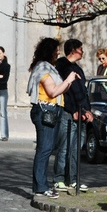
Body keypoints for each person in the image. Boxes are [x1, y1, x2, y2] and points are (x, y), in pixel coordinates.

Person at [27, 38, 78, 201]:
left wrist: (68, 83)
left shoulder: (47, 67)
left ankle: (40, 186)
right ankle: (41, 187)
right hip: (45, 111)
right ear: (49, 50)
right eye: (56, 49)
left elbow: (59, 89)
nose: (58, 52)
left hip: (51, 110)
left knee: (46, 149)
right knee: (44, 149)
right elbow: (52, 91)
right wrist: (68, 80)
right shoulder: (43, 67)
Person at [54, 39, 93, 194]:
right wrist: (73, 110)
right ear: (73, 50)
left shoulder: (78, 69)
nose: (82, 52)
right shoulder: (62, 66)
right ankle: (59, 179)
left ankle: (74, 179)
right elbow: (67, 91)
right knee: (64, 147)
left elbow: (82, 92)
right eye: (80, 49)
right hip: (68, 113)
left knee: (76, 149)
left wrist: (87, 111)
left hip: (81, 112)